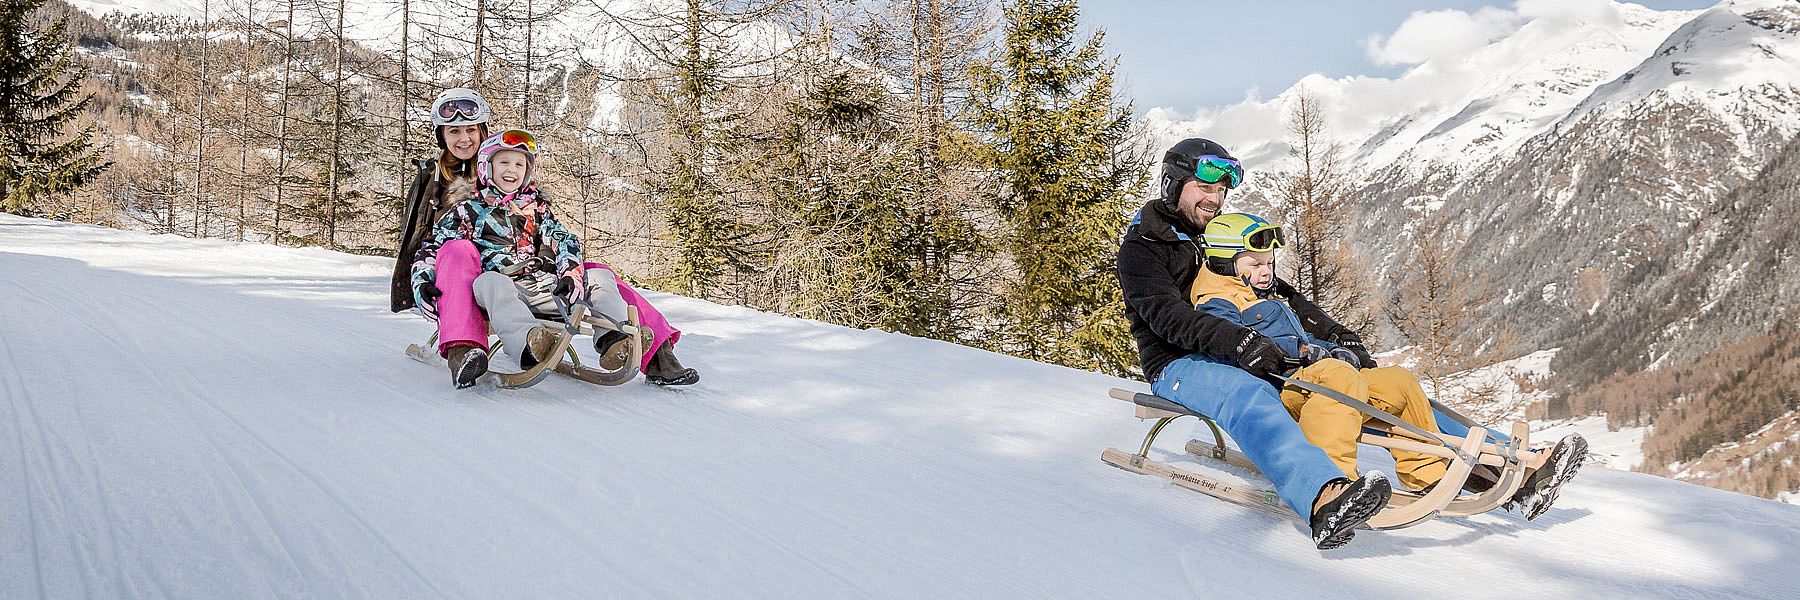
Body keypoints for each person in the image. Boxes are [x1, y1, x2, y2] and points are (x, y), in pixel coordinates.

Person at [1117, 138, 1390, 550]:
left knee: (1378, 383)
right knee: (1251, 395)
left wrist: (1335, 335)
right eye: (1204, 188)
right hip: (1179, 363)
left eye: (1221, 191)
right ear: (1173, 185)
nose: (1215, 198)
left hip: (1237, 351)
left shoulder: (1217, 240)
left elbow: (1283, 295)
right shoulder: (1144, 247)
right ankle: (1322, 499)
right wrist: (1239, 340)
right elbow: (1166, 317)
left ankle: (1484, 463)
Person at [392, 88, 699, 388]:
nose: (463, 138)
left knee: (599, 276)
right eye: (453, 131)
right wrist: (422, 281)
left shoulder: (523, 189)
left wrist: (562, 266)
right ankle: (465, 349)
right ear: (442, 136)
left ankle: (647, 348)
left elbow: (552, 233)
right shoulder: (436, 183)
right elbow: (425, 242)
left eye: (470, 129)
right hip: (467, 278)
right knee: (460, 253)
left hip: (531, 272)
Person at [1190, 212, 1452, 493]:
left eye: (1269, 262)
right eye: (1255, 264)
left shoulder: (1262, 294)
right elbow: (1233, 345)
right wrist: (1302, 352)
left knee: (1397, 381)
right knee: (1338, 377)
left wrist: (1332, 349)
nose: (1266, 271)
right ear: (1224, 263)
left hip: (1313, 383)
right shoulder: (1216, 303)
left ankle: (1427, 474)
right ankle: (1332, 484)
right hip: (1281, 391)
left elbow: (1302, 337)